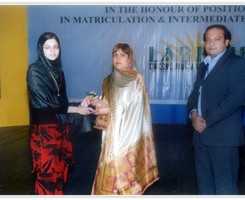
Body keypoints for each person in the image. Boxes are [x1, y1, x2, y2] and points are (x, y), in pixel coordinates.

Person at [26, 32, 94, 195]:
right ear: (40, 49)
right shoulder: (34, 71)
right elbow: (47, 103)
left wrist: (79, 106)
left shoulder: (58, 72)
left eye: (56, 47)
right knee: (47, 175)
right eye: (47, 47)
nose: (52, 51)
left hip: (61, 130)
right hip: (44, 134)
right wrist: (77, 109)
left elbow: (61, 103)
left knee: (61, 174)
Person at [187, 24, 245, 194]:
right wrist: (193, 115)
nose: (211, 43)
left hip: (223, 139)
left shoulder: (237, 64)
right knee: (204, 187)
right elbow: (194, 95)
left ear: (227, 42)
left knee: (225, 188)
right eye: (207, 39)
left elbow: (234, 99)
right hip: (199, 136)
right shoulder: (203, 66)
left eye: (217, 39)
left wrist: (205, 119)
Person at [90, 43, 159, 195]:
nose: (118, 58)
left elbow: (137, 109)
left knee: (127, 177)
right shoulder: (107, 81)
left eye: (122, 55)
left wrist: (110, 109)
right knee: (109, 171)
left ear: (129, 59)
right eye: (115, 55)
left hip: (130, 134)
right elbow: (109, 105)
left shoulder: (136, 79)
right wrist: (100, 104)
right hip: (112, 134)